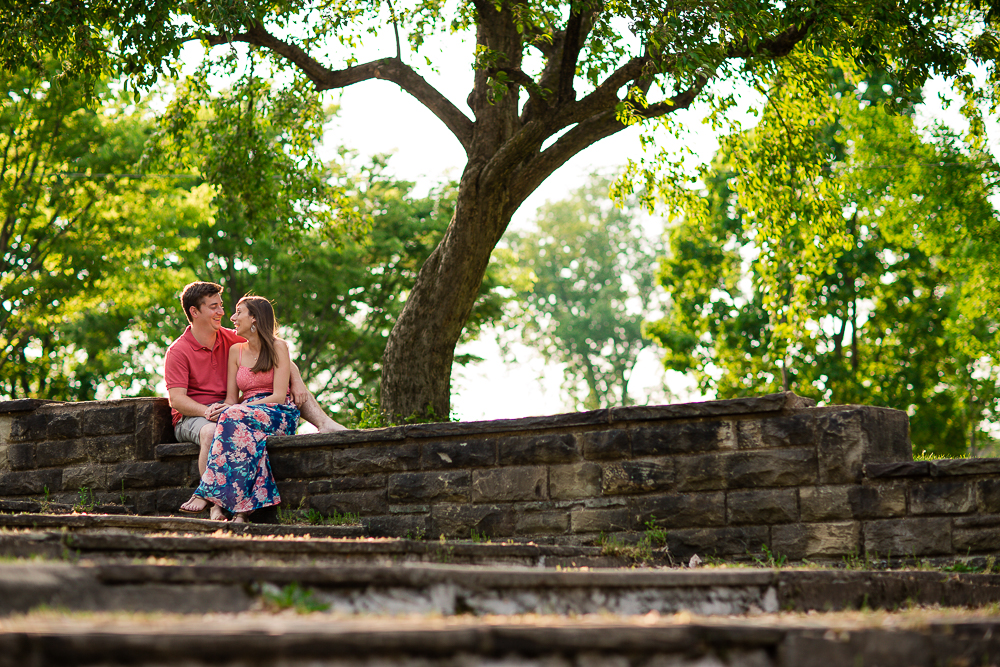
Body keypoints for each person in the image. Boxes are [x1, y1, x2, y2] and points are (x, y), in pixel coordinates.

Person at [164, 281, 346, 515]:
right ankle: (213, 503)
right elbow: (176, 400)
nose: (222, 313)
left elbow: (272, 352)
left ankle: (324, 423)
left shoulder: (231, 338)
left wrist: (297, 378)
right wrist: (205, 411)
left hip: (233, 409)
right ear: (194, 312)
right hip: (194, 415)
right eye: (214, 307)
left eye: (221, 306)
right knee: (211, 431)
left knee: (243, 424)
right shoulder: (178, 351)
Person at [187, 295, 297, 522]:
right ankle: (242, 511)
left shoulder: (279, 347)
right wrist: (221, 409)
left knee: (233, 417)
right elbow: (231, 399)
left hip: (278, 412)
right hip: (244, 414)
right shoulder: (236, 351)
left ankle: (209, 495)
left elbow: (277, 396)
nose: (233, 317)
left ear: (254, 318)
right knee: (245, 436)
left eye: (239, 312)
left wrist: (235, 410)